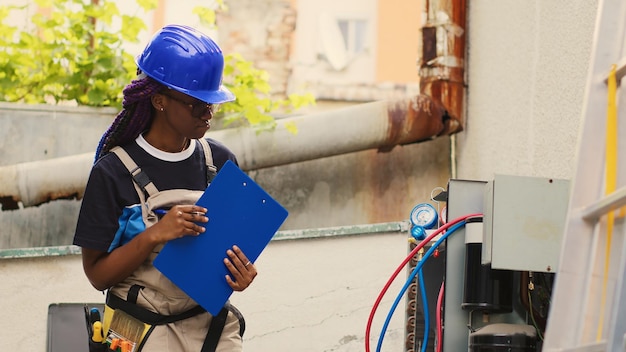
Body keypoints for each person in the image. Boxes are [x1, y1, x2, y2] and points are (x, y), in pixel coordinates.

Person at [73, 24, 256, 351]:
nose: (208, 113)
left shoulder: (220, 162)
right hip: (138, 328)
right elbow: (98, 276)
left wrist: (238, 275)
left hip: (208, 327)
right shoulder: (114, 172)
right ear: (158, 100)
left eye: (212, 102)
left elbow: (225, 253)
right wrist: (155, 234)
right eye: (197, 103)